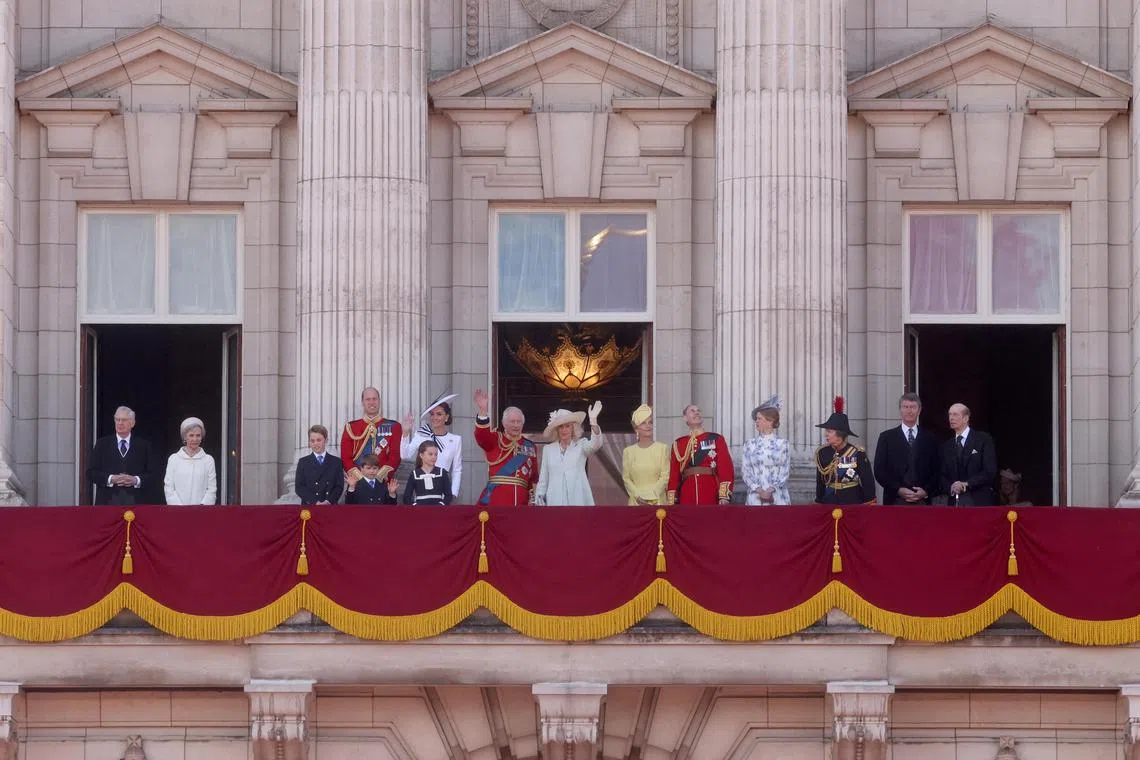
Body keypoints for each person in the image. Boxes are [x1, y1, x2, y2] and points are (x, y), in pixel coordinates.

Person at [473, 388, 539, 506]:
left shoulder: (530, 446)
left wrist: (532, 498)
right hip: (497, 500)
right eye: (512, 421)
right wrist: (483, 410)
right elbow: (481, 435)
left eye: (519, 422)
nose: (516, 425)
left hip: (521, 502)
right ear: (504, 423)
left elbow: (533, 478)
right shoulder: (495, 440)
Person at [873, 392, 941, 505]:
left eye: (913, 407)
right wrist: (898, 489)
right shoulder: (886, 438)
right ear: (900, 410)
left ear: (919, 411)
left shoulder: (930, 438)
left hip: (923, 502)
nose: (909, 411)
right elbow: (879, 471)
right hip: (894, 501)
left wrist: (925, 491)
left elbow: (937, 470)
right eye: (906, 407)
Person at [86, 406, 161, 505]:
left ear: (132, 423)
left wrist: (136, 480)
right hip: (107, 503)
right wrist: (111, 478)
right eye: (117, 419)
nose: (120, 423)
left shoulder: (144, 445)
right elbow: (91, 473)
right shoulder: (102, 444)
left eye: (124, 420)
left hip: (136, 503)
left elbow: (154, 475)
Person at [535, 403, 603, 506]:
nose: (564, 430)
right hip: (555, 500)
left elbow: (595, 445)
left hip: (578, 498)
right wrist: (539, 498)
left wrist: (593, 422)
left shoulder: (581, 445)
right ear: (557, 430)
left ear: (573, 428)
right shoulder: (548, 449)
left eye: (567, 426)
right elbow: (544, 478)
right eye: (561, 427)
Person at [667, 404, 734, 505]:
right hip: (687, 494)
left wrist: (724, 496)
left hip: (711, 491)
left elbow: (726, 468)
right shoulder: (678, 443)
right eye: (692, 411)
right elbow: (674, 475)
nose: (697, 412)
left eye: (698, 410)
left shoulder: (716, 439)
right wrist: (672, 501)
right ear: (685, 418)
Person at [814, 397, 876, 505]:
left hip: (852, 501)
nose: (826, 434)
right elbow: (820, 482)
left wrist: (869, 503)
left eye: (829, 431)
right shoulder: (822, 453)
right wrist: (819, 501)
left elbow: (867, 482)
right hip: (829, 501)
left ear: (840, 434)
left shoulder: (858, 453)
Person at [401, 393, 463, 500]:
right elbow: (405, 455)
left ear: (447, 417)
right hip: (422, 490)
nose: (435, 417)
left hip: (443, 490)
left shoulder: (456, 440)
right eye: (432, 414)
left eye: (439, 414)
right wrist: (405, 433)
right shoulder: (421, 434)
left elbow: (457, 470)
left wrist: (453, 494)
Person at [341, 387, 402, 493]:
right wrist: (361, 479)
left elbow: (395, 456)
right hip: (357, 484)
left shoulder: (394, 426)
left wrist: (378, 477)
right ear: (363, 403)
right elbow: (346, 458)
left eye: (374, 399)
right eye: (368, 399)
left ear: (379, 401)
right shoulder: (351, 427)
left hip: (383, 485)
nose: (371, 402)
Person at [940, 402, 997, 506]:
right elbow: (942, 475)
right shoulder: (947, 446)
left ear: (966, 418)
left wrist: (966, 484)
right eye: (949, 414)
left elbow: (990, 471)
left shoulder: (983, 440)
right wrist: (951, 487)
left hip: (978, 502)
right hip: (955, 504)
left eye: (955, 414)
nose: (951, 418)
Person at [741, 395, 791, 505]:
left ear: (770, 421)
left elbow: (784, 472)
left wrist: (770, 490)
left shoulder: (783, 444)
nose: (756, 422)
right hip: (755, 498)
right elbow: (746, 472)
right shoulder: (749, 444)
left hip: (777, 497)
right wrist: (759, 490)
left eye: (759, 419)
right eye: (756, 419)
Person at [162, 417, 218, 505]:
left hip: (202, 512)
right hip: (178, 512)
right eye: (191, 435)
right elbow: (169, 488)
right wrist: (180, 509)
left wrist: (202, 508)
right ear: (185, 437)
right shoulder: (174, 459)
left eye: (198, 435)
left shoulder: (208, 460)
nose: (195, 439)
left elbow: (211, 489)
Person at [621, 404, 669, 505]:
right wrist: (637, 495)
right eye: (643, 423)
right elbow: (626, 478)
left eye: (650, 422)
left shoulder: (662, 448)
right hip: (636, 502)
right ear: (636, 429)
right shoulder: (628, 452)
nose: (648, 426)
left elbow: (665, 476)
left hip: (658, 501)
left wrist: (651, 495)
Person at [294, 424, 344, 505]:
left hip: (330, 507)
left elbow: (339, 486)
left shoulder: (336, 462)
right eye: (312, 441)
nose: (315, 443)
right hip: (310, 507)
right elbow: (299, 487)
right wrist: (315, 502)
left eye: (319, 440)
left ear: (326, 440)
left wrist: (329, 501)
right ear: (309, 442)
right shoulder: (303, 462)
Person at [402, 440, 453, 505]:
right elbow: (407, 497)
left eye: (436, 454)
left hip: (438, 512)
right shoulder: (414, 474)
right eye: (430, 454)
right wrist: (416, 506)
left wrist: (441, 505)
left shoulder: (442, 472)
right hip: (420, 512)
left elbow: (449, 495)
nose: (434, 457)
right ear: (421, 455)